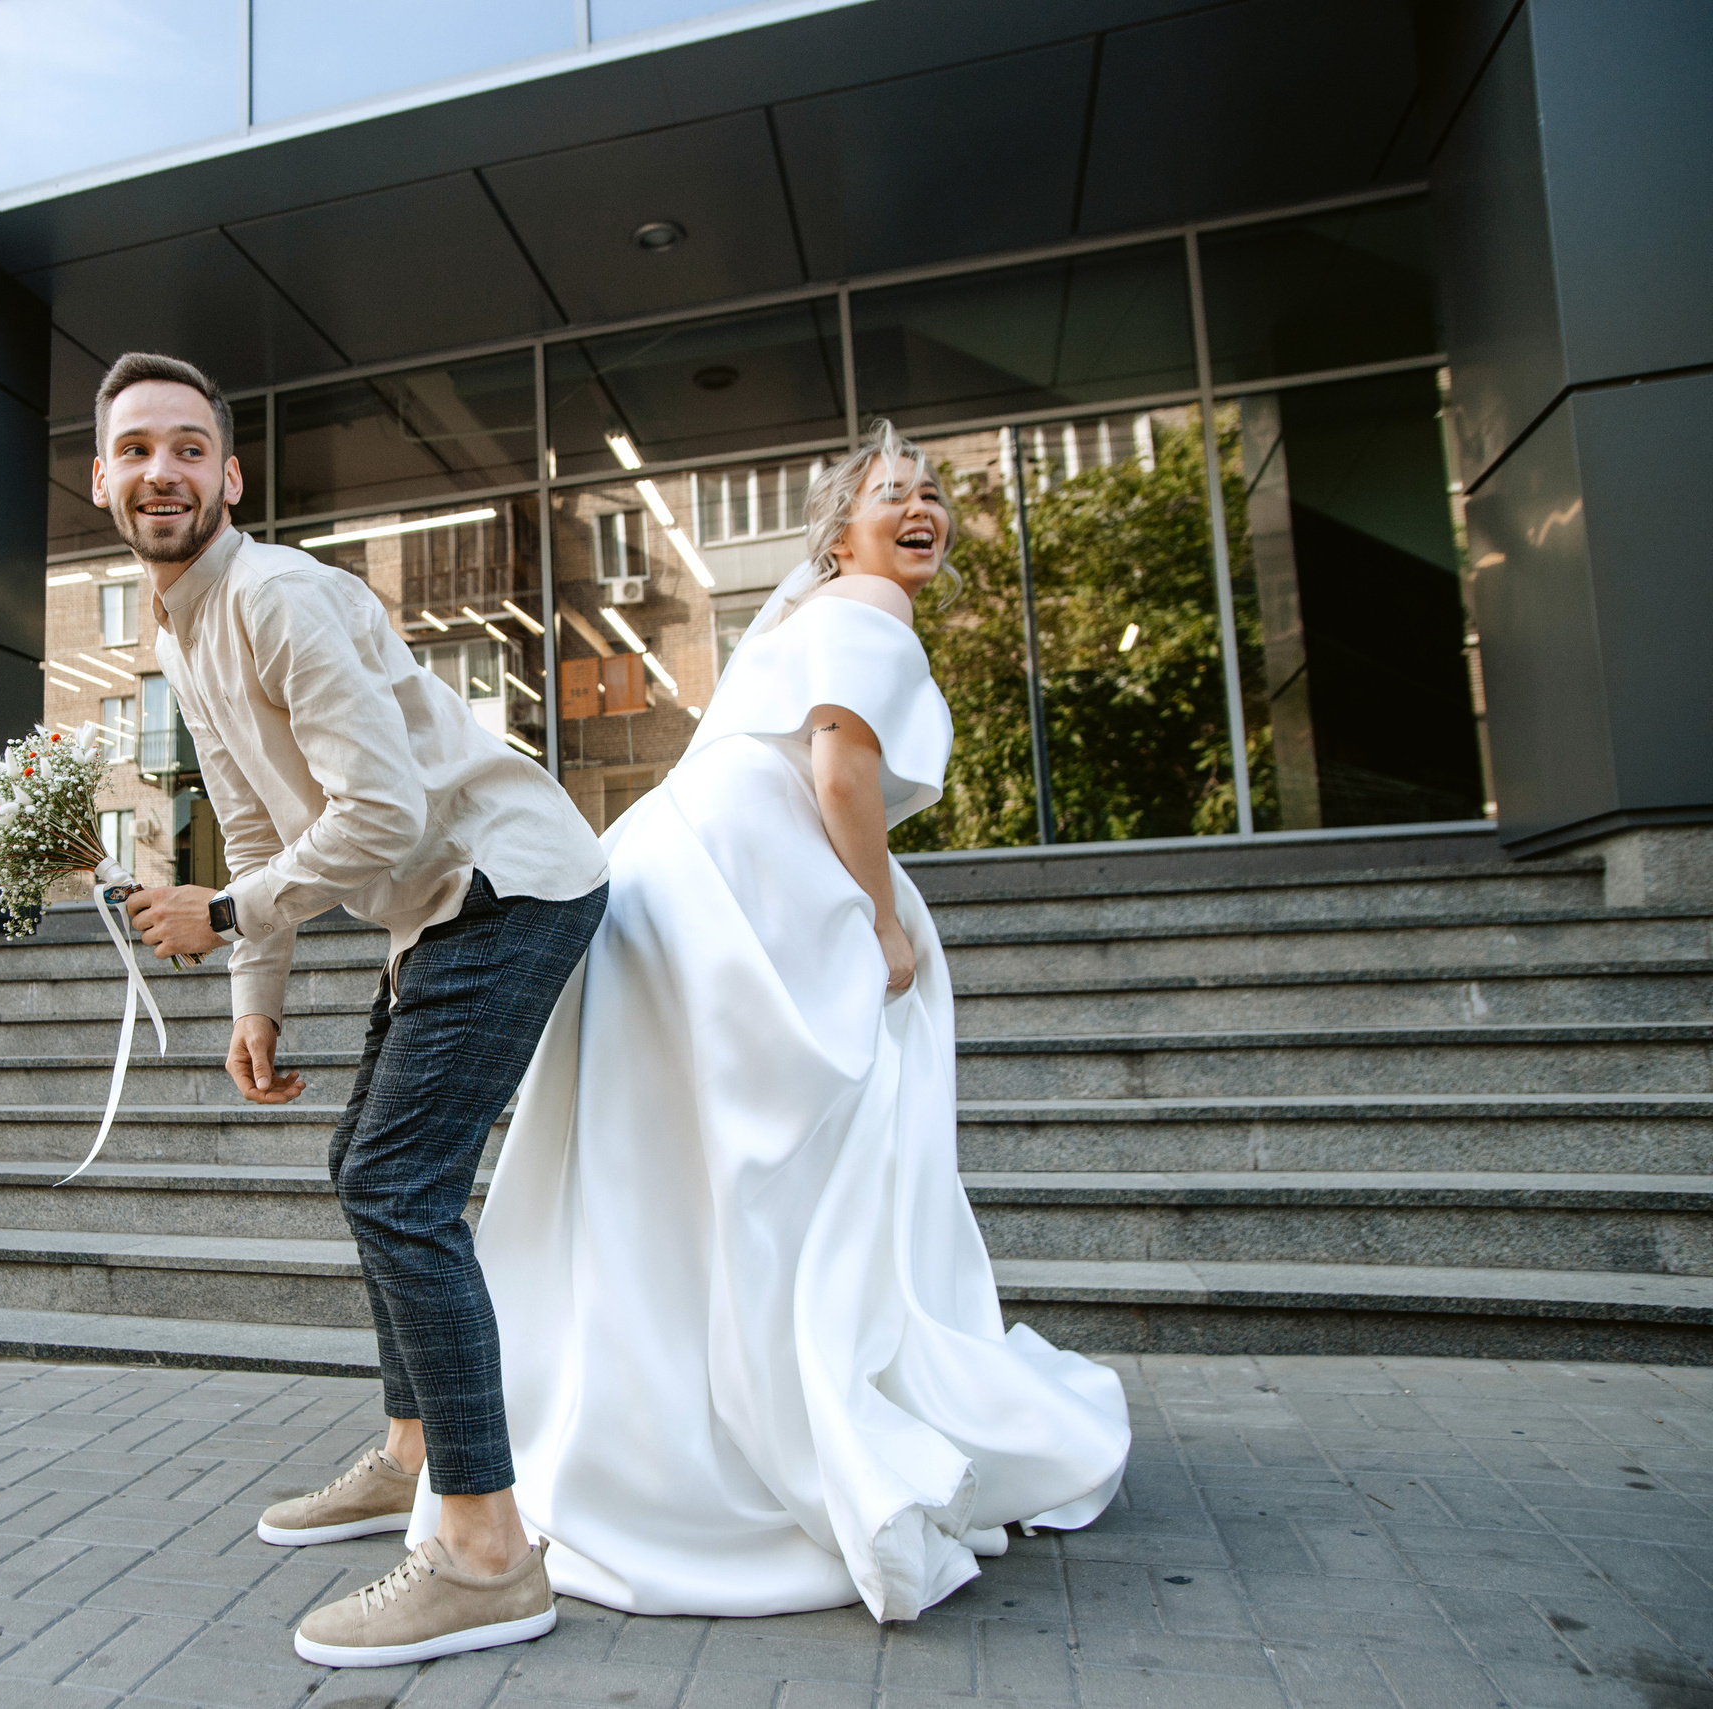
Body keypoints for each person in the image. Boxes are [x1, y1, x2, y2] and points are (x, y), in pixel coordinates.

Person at [410, 421, 1131, 1622]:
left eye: (933, 492)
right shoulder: (870, 609)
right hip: (744, 886)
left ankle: (619, 1438)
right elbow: (842, 770)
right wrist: (881, 922)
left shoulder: (806, 613)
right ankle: (750, 1425)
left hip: (669, 869)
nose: (922, 508)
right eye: (891, 492)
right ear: (838, 529)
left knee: (665, 1173)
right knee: (791, 1161)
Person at [102, 352, 610, 1667]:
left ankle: (489, 1554)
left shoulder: (270, 595)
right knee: (361, 1160)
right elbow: (257, 815)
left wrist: (221, 917)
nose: (162, 469)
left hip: (511, 883)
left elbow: (379, 810)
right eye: (136, 449)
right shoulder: (182, 628)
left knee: (397, 1179)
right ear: (102, 480)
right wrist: (253, 994)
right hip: (431, 902)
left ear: (230, 474)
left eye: (187, 447)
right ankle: (409, 1453)